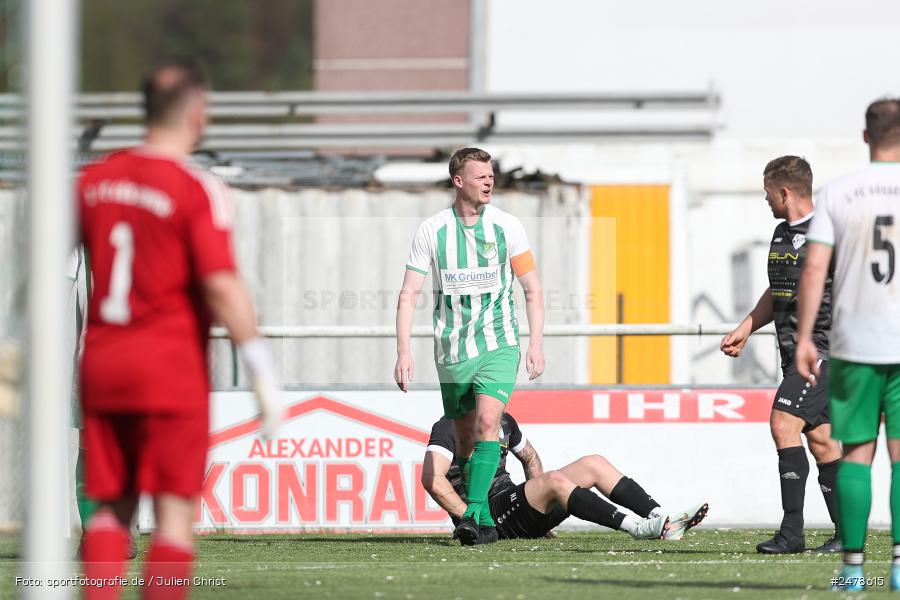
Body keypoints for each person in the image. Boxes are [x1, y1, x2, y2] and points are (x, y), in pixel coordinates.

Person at [77, 57, 281, 600]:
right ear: (198, 114)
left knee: (108, 513)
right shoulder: (196, 188)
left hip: (102, 364)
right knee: (172, 513)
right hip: (169, 369)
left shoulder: (94, 181)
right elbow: (221, 283)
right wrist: (260, 367)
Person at [395, 148, 545, 545]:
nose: (489, 182)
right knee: (464, 438)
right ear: (458, 182)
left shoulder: (508, 226)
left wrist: (535, 343)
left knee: (486, 425)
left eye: (491, 175)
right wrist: (404, 351)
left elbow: (532, 289)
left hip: (500, 343)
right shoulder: (432, 230)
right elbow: (409, 294)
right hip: (452, 351)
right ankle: (478, 517)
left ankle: (477, 515)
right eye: (480, 177)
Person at [796, 98, 900, 591]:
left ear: (866, 136)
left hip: (855, 343)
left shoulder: (839, 191)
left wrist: (802, 337)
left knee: (856, 453)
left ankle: (854, 570)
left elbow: (814, 268)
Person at [720, 156, 841, 554]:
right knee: (821, 441)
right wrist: (746, 326)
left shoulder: (830, 233)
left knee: (783, 422)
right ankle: (847, 534)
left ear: (785, 191)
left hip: (824, 353)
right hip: (792, 355)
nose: (765, 199)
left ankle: (791, 533)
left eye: (768, 192)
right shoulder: (780, 233)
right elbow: (779, 290)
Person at [422, 413, 708, 543]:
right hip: (488, 517)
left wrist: (538, 507)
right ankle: (639, 528)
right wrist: (470, 520)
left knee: (593, 463)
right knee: (555, 481)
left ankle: (662, 519)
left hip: (514, 507)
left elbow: (530, 458)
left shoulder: (504, 420)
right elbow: (433, 479)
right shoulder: (449, 426)